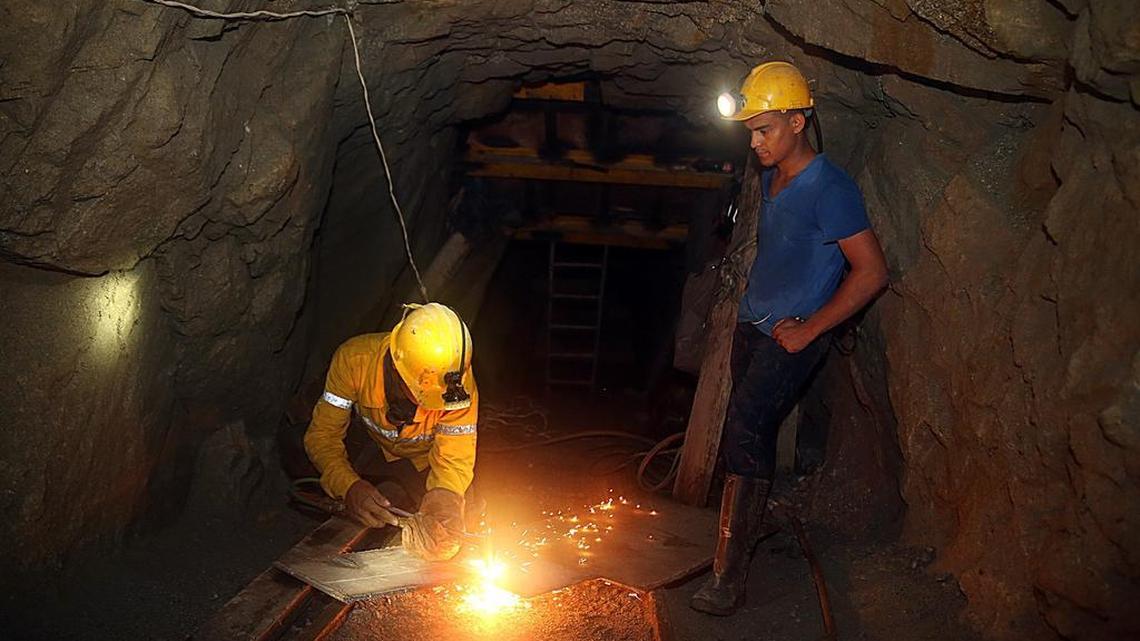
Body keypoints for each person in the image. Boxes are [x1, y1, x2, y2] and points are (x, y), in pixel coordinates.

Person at [692, 62, 889, 615]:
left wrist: (810, 329)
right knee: (746, 433)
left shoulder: (831, 188)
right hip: (753, 326)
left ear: (799, 122)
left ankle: (728, 581)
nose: (755, 142)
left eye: (766, 129)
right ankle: (749, 523)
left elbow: (872, 271)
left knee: (747, 428)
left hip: (791, 337)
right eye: (751, 130)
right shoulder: (770, 176)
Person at [303, 302, 478, 561]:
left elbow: (456, 452)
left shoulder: (457, 387)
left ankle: (398, 488)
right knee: (299, 452)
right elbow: (322, 435)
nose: (428, 404)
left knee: (453, 528)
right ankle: (377, 487)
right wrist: (348, 486)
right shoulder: (354, 361)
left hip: (424, 461)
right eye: (423, 395)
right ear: (399, 370)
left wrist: (446, 494)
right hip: (372, 450)